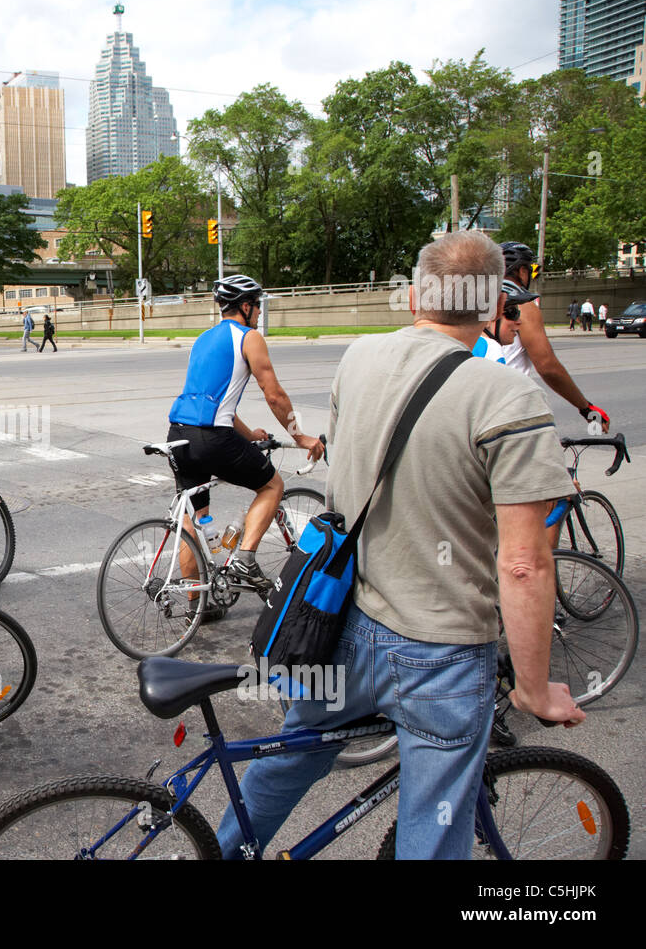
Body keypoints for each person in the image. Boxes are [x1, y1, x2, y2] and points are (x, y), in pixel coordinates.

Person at [215, 231, 583, 860]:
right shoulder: (508, 397)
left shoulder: (359, 358)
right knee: (433, 822)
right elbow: (522, 564)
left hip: (339, 623)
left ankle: (221, 851)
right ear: (496, 302)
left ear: (414, 296)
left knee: (288, 760)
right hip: (439, 649)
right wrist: (534, 687)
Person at [167, 275, 324, 602]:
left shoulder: (203, 339)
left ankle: (198, 607)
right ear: (245, 306)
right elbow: (274, 394)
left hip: (179, 435)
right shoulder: (249, 337)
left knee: (192, 521)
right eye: (257, 305)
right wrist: (300, 436)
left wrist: (250, 434)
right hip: (212, 438)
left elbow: (210, 399)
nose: (259, 313)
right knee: (272, 486)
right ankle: (245, 558)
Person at [496, 243, 607, 429]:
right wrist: (586, 408)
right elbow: (547, 366)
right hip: (509, 406)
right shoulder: (522, 306)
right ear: (522, 271)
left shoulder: (480, 301)